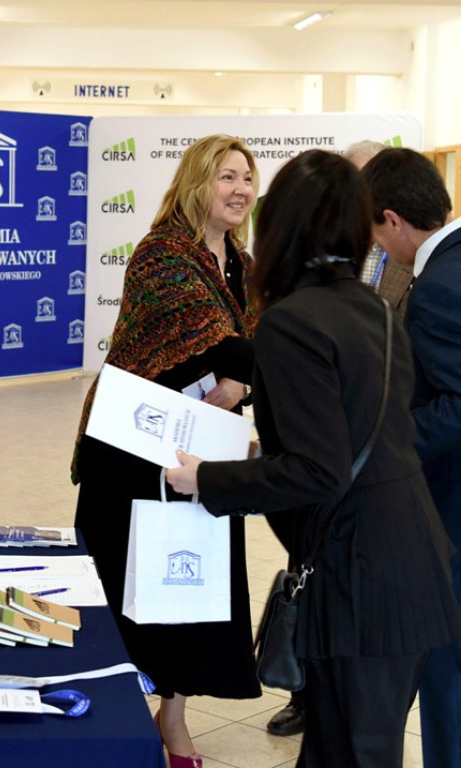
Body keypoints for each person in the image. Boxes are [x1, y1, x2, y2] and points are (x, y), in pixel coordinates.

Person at [167, 149, 461, 766]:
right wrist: (263, 453)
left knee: (352, 750)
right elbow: (361, 432)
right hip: (411, 568)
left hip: (362, 580)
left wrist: (208, 479)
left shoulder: (291, 321)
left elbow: (318, 470)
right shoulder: (373, 308)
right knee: (342, 746)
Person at [72, 134, 260, 768]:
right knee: (126, 585)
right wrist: (247, 371)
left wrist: (243, 381)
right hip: (131, 449)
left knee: (193, 583)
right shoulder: (162, 255)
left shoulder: (244, 264)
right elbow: (222, 345)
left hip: (203, 451)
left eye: (247, 177)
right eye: (226, 176)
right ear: (197, 182)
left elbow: (245, 348)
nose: (239, 189)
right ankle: (114, 715)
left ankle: (173, 719)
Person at [361, 147, 461, 768]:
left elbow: (457, 404)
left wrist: (382, 439)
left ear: (393, 220)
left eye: (374, 229)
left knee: (445, 663)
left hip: (451, 507)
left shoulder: (439, 287)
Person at [344, 140, 412, 317]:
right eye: (361, 182)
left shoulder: (412, 250)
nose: (369, 192)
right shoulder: (326, 246)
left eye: (377, 182)